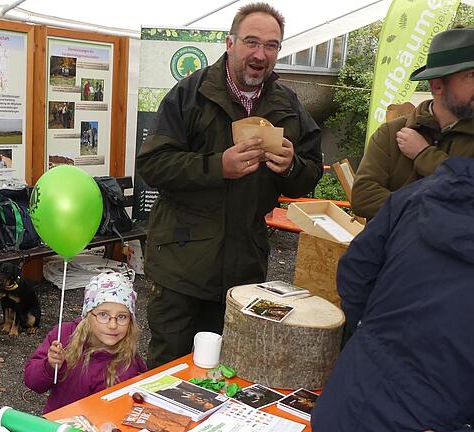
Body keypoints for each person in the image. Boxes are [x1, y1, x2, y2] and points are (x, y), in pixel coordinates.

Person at [136, 2, 323, 368]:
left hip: (244, 270)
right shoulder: (190, 94)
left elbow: (311, 171)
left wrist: (290, 167)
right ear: (230, 43)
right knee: (169, 371)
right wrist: (217, 166)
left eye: (271, 45)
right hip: (181, 267)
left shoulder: (286, 103)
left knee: (229, 371)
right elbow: (152, 165)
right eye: (251, 42)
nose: (260, 54)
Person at [311, 157, 474, 431]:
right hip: (433, 407)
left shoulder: (419, 193)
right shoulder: (418, 194)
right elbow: (356, 270)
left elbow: (356, 270)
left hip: (354, 397)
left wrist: (370, 333)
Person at [351, 27, 474, 219]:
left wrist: (425, 155)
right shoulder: (392, 132)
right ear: (437, 85)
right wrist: (438, 210)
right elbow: (363, 197)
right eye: (472, 75)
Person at [24, 272, 147, 413]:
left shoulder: (128, 362)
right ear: (88, 315)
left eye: (122, 316)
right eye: (103, 315)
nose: (113, 325)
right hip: (58, 424)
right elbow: (32, 381)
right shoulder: (63, 335)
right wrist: (50, 366)